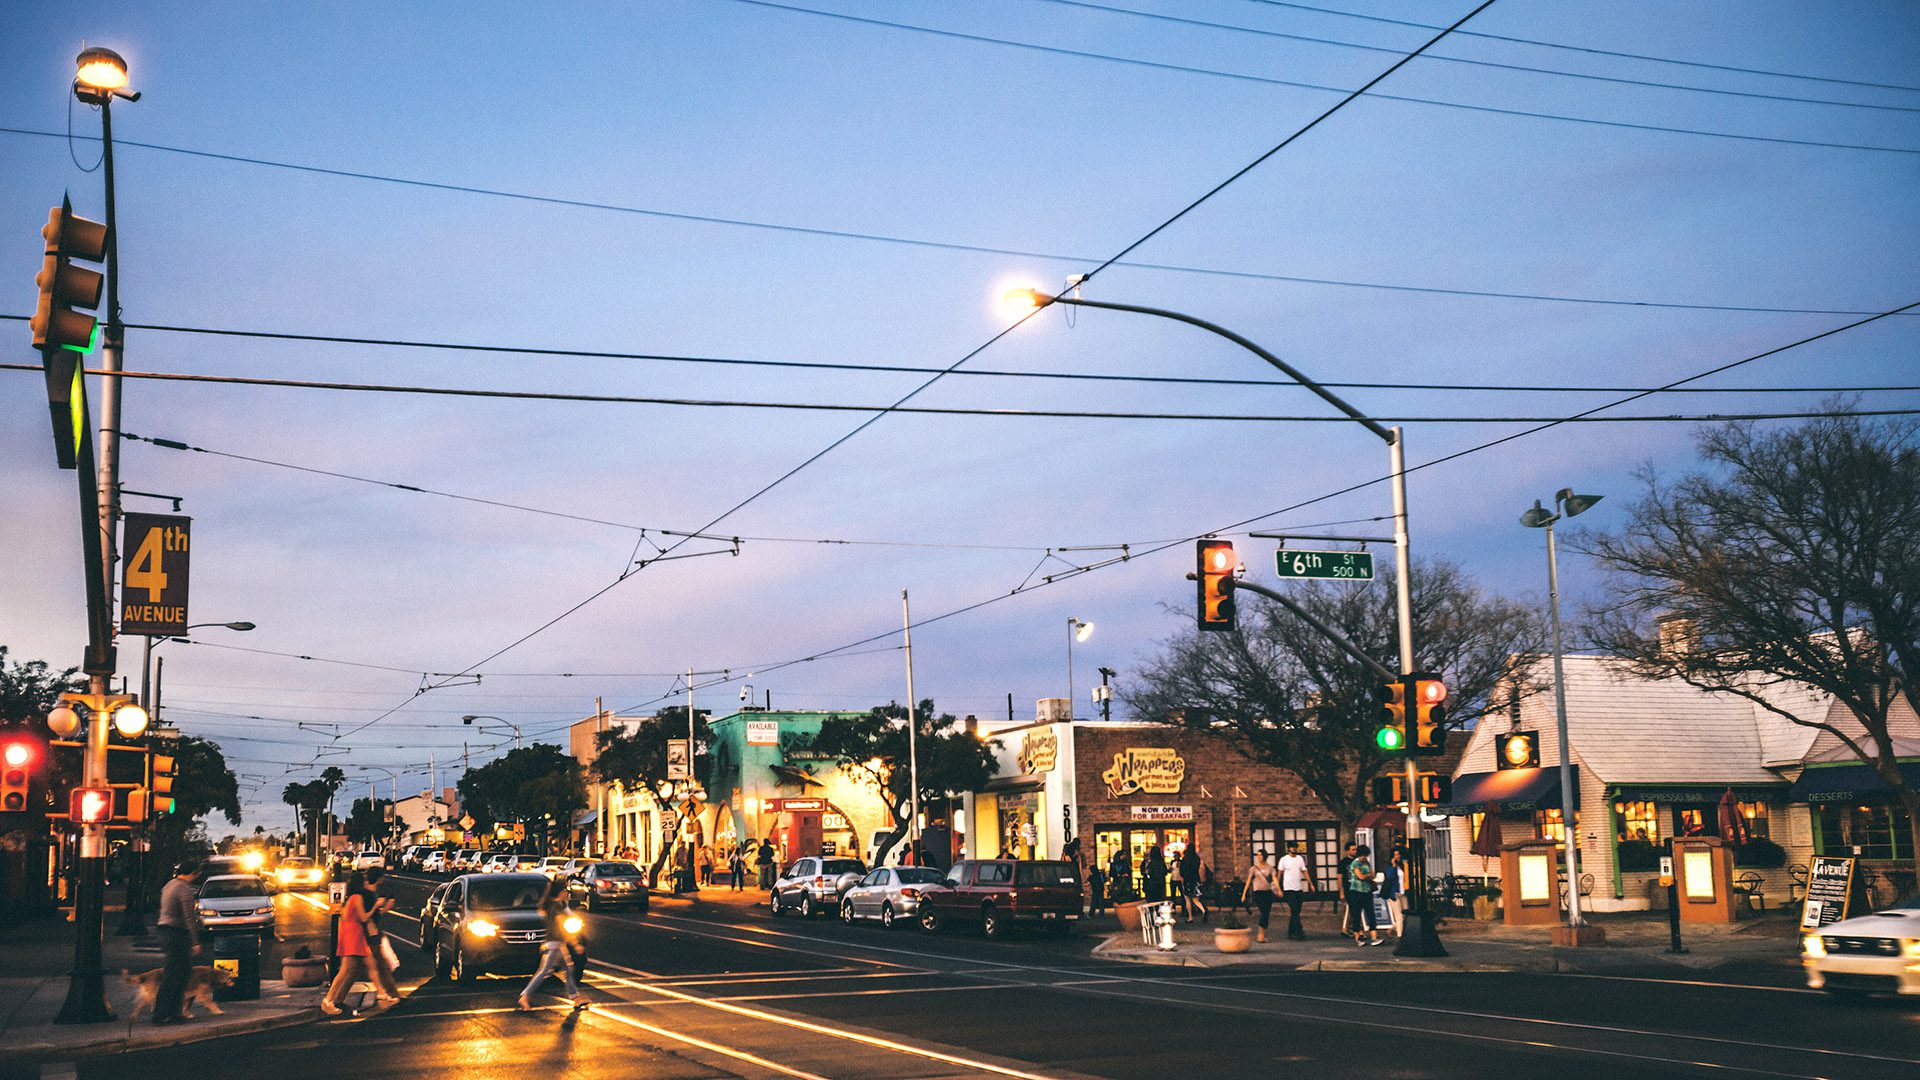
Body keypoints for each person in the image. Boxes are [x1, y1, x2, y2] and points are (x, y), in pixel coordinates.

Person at [322, 871, 396, 1014]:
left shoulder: (351, 898)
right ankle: (328, 1000)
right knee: (345, 970)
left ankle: (383, 995)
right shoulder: (357, 898)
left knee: (371, 964)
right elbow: (363, 917)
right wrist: (376, 906)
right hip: (353, 935)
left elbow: (344, 915)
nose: (366, 882)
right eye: (364, 881)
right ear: (360, 884)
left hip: (354, 934)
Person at [518, 877, 586, 1012]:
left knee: (568, 969)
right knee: (544, 971)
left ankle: (576, 998)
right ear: (560, 892)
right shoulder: (556, 907)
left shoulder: (554, 905)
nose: (567, 893)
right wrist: (575, 943)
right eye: (565, 890)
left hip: (556, 944)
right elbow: (562, 927)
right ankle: (525, 996)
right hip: (554, 944)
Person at [152, 861, 205, 1024]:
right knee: (177, 974)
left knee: (177, 972)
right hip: (176, 933)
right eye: (198, 873)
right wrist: (195, 941)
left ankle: (172, 1012)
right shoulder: (184, 889)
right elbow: (189, 917)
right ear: (193, 873)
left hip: (164, 930)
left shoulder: (170, 885)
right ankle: (163, 1013)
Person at [363, 867, 402, 1001]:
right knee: (380, 965)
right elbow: (365, 916)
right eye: (382, 877)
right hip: (370, 932)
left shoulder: (370, 892)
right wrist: (379, 909)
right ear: (378, 878)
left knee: (368, 966)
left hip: (371, 932)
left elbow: (390, 900)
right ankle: (392, 994)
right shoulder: (367, 894)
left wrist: (380, 910)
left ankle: (387, 993)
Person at [1276, 842, 1313, 941]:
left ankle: (1291, 931)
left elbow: (1304, 871)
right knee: (1294, 909)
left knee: (1296, 911)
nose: (1295, 849)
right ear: (1288, 848)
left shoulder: (1300, 859)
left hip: (1298, 888)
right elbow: (1279, 874)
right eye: (1293, 847)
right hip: (1288, 889)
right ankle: (1299, 931)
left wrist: (1310, 884)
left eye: (1296, 847)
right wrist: (1277, 888)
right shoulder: (1284, 859)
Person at [1346, 844, 1381, 946]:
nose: (1364, 857)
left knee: (1371, 913)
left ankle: (1374, 937)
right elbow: (1360, 877)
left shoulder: (1367, 862)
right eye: (1363, 855)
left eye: (1366, 855)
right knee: (1356, 913)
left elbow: (1373, 875)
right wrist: (1368, 876)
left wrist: (1367, 876)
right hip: (1356, 891)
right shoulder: (1355, 863)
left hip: (1367, 890)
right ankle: (1358, 936)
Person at [1241, 853, 1277, 943]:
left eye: (1261, 855)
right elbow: (1248, 881)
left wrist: (1278, 889)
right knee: (1264, 912)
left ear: (1265, 856)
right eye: (1258, 855)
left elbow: (1274, 879)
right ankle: (1260, 936)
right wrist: (1244, 893)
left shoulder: (1270, 868)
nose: (1259, 857)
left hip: (1268, 892)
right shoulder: (1253, 869)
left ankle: (1263, 935)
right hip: (1258, 893)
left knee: (1267, 913)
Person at [1179, 844, 1208, 922]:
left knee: (1187, 899)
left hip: (1187, 880)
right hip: (1195, 880)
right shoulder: (1197, 859)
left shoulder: (1185, 859)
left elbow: (1181, 871)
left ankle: (1190, 917)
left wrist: (1182, 877)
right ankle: (1203, 910)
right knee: (1196, 900)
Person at [1382, 849, 1407, 940]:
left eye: (1398, 854)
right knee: (1399, 916)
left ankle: (1392, 929)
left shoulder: (1402, 866)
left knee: (1405, 914)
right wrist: (1393, 866)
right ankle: (1400, 936)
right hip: (1394, 893)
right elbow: (1389, 877)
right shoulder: (1389, 867)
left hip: (1403, 892)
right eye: (1396, 855)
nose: (1398, 856)